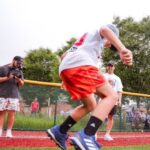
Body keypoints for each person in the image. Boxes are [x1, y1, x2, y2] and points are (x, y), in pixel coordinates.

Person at [47, 24, 133, 150]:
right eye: (111, 43)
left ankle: (60, 131)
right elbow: (104, 29)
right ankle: (87, 135)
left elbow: (63, 56)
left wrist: (67, 77)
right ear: (111, 36)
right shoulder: (99, 34)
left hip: (67, 68)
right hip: (80, 65)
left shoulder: (87, 43)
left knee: (91, 105)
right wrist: (122, 49)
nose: (110, 46)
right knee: (111, 95)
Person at [0, 56, 24, 137]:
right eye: (18, 63)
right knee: (1, 113)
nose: (18, 65)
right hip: (2, 94)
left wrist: (19, 80)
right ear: (13, 60)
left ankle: (9, 132)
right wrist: (8, 77)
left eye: (20, 63)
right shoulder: (3, 68)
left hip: (14, 95)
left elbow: (22, 84)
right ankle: (0, 131)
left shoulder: (19, 71)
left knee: (11, 114)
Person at [103, 61, 123, 141]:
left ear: (114, 67)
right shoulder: (103, 76)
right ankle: (95, 134)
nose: (110, 67)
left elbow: (119, 91)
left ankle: (107, 134)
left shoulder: (117, 78)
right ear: (107, 67)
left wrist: (119, 100)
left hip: (113, 100)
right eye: (109, 65)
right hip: (103, 98)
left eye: (112, 66)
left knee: (110, 117)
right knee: (99, 116)